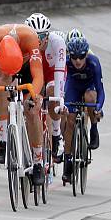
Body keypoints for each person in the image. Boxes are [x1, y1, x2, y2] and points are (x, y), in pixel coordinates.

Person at [0, 23, 46, 185]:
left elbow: (38, 75)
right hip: (3, 67)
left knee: (31, 110)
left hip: (26, 67)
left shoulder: (30, 37)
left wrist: (34, 96)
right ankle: (3, 141)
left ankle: (38, 161)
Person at [62, 37, 105, 183]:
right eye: (74, 57)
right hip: (73, 87)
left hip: (89, 87)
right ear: (70, 55)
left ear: (86, 54)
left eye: (81, 56)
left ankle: (93, 129)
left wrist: (99, 107)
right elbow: (62, 84)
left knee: (90, 98)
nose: (78, 61)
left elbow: (100, 90)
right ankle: (68, 160)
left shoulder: (94, 62)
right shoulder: (66, 63)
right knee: (70, 119)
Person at [25, 12, 67, 160]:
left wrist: (58, 99)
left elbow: (60, 71)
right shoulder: (23, 42)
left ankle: (56, 134)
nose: (39, 41)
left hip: (51, 72)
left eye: (42, 36)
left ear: (48, 35)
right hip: (33, 72)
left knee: (52, 94)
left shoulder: (58, 42)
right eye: (35, 37)